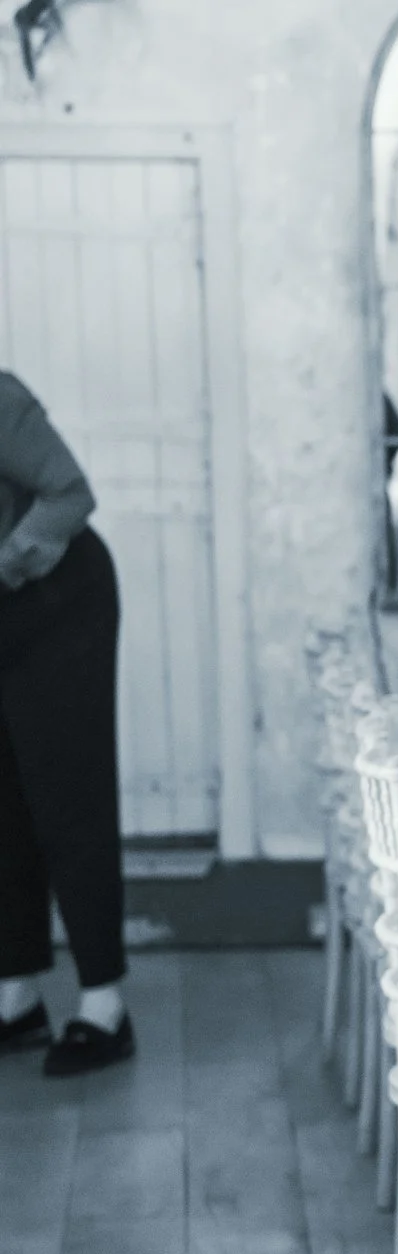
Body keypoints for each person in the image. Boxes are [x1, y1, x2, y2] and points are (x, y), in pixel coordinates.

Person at [0, 371, 133, 1075]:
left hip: (59, 601)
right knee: (6, 803)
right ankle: (15, 996)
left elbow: (71, 492)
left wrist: (6, 563)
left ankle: (105, 1006)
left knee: (67, 796)